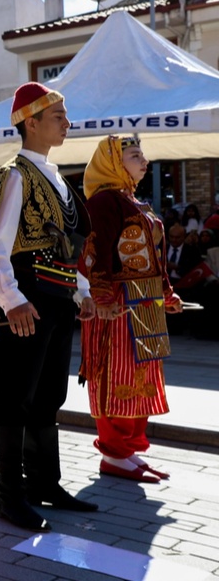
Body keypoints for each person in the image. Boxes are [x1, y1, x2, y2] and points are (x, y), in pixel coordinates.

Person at [0, 82, 98, 533]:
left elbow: (66, 248)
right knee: (15, 396)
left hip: (56, 299)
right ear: (32, 122)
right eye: (58, 115)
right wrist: (12, 301)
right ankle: (9, 492)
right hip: (27, 298)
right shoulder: (16, 175)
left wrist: (81, 293)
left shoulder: (57, 178)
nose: (66, 121)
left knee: (48, 397)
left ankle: (45, 483)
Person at [78, 136, 181, 484]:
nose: (144, 160)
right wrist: (102, 299)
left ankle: (129, 452)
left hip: (144, 302)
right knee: (115, 373)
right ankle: (114, 453)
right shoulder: (105, 201)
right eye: (135, 155)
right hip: (118, 305)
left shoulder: (132, 200)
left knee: (141, 377)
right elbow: (96, 253)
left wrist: (166, 292)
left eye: (142, 154)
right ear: (113, 162)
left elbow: (152, 254)